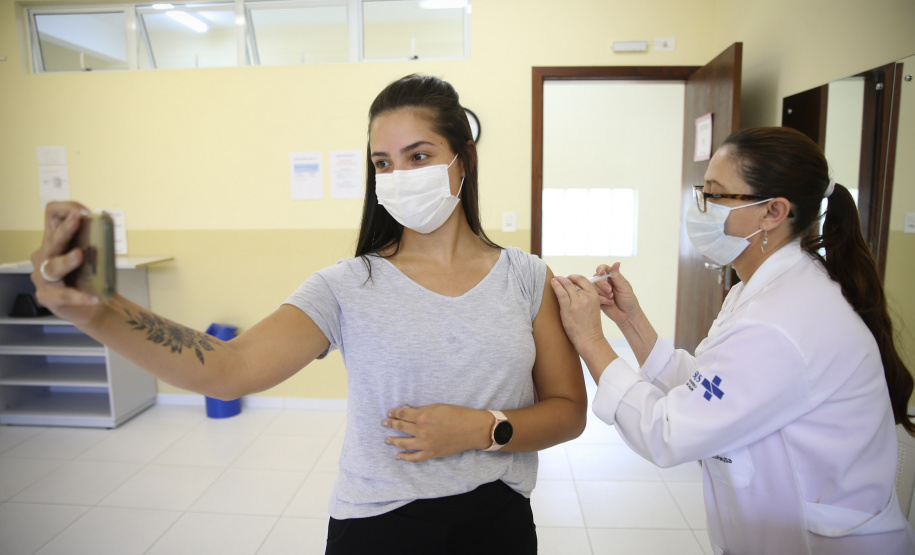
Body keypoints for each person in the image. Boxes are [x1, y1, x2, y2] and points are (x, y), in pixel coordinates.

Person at [31, 74, 587, 554]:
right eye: (382, 163)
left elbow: (568, 411)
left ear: (464, 158)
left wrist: (483, 429)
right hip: (379, 527)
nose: (398, 175)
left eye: (418, 156)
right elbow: (228, 368)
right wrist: (97, 311)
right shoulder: (347, 285)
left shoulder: (525, 276)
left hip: (498, 525)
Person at [550, 126, 915, 554]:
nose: (700, 209)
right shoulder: (761, 288)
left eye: (716, 196)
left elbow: (666, 433)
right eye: (702, 192)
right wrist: (631, 322)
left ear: (773, 212)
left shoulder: (781, 320)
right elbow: (710, 387)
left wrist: (590, 338)